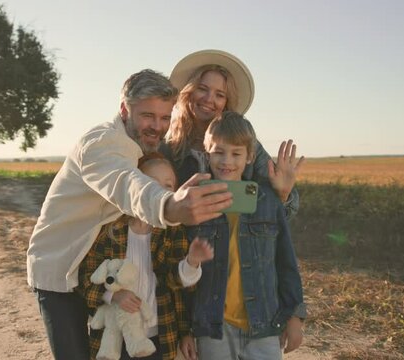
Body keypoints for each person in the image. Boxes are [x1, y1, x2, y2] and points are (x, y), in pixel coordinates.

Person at [27, 69, 234, 360]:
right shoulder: (102, 144)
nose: (157, 126)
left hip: (101, 272)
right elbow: (127, 184)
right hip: (61, 268)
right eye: (148, 115)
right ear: (125, 110)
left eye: (165, 117)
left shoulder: (145, 145)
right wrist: (170, 206)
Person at [180, 112, 306, 360]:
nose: (227, 161)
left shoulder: (268, 201)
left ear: (250, 157)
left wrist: (294, 316)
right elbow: (186, 277)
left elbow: (286, 262)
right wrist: (185, 329)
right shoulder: (195, 203)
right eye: (219, 152)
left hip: (264, 323)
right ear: (207, 153)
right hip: (213, 327)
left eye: (236, 153)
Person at [77, 154, 214, 360]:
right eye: (151, 184)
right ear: (136, 187)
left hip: (158, 336)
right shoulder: (110, 229)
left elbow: (176, 285)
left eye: (168, 186)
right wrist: (113, 296)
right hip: (115, 340)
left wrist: (192, 262)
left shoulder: (172, 232)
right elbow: (86, 279)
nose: (159, 192)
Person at [161, 49, 303, 219]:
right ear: (188, 92)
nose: (209, 99)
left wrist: (283, 194)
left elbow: (284, 211)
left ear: (226, 102)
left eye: (219, 95)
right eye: (202, 89)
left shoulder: (247, 145)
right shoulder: (169, 147)